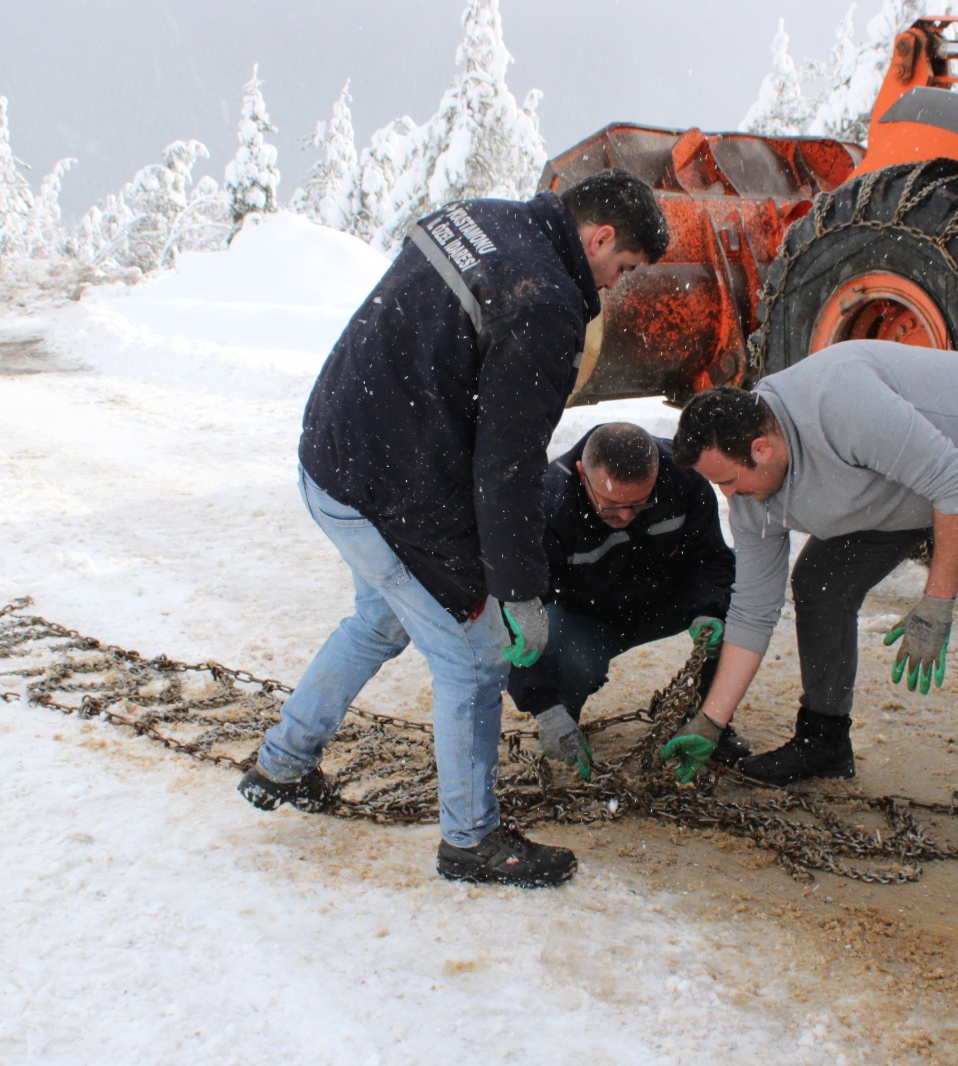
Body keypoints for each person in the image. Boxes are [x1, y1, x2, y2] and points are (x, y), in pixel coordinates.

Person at [238, 169, 669, 889]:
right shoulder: (549, 304)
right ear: (598, 239)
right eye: (622, 270)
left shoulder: (478, 217)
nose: (614, 289)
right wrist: (517, 591)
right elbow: (505, 462)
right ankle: (469, 840)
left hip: (331, 453)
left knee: (378, 620)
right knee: (473, 657)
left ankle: (281, 765)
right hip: (385, 490)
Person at [662, 340, 958, 882]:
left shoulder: (841, 405)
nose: (730, 495)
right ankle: (824, 740)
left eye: (729, 480)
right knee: (820, 584)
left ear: (763, 447)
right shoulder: (755, 499)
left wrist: (936, 605)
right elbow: (753, 611)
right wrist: (710, 723)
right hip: (901, 481)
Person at [506, 422, 748, 778]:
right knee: (557, 642)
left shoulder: (683, 478)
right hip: (587, 615)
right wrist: (544, 706)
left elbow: (710, 558)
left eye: (639, 504)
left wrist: (707, 610)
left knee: (741, 601)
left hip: (662, 600)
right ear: (581, 474)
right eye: (612, 506)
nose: (624, 517)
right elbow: (512, 615)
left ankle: (707, 717)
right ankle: (563, 718)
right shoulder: (547, 504)